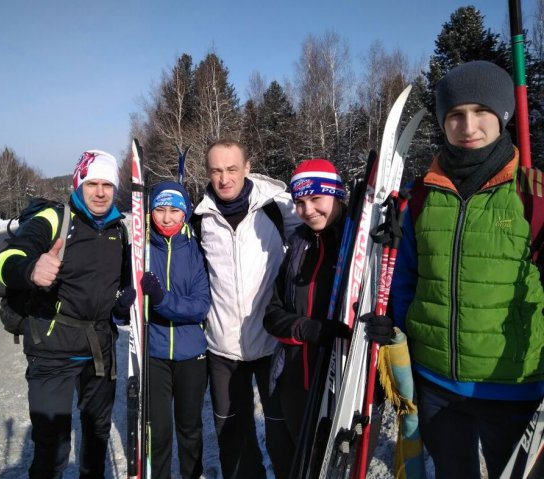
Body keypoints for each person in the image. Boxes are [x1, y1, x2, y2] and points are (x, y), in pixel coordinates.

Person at [364, 61, 544, 479]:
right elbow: (406, 278)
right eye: (455, 115)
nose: (468, 125)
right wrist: (390, 323)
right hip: (435, 381)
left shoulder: (531, 195)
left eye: (480, 112)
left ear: (501, 117)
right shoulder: (423, 197)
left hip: (514, 384)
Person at [0, 150, 133, 478]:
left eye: (108, 185)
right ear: (79, 183)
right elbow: (4, 261)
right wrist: (29, 268)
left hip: (99, 348)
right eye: (92, 183)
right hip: (51, 348)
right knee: (53, 446)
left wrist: (122, 304)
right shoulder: (55, 220)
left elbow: (118, 288)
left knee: (97, 437)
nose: (100, 192)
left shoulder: (119, 229)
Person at [192, 139, 301, 479]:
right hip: (223, 350)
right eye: (216, 171)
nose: (224, 178)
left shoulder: (277, 208)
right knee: (234, 438)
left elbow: (316, 237)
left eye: (231, 169)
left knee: (281, 431)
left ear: (247, 168)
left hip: (272, 344)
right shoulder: (200, 219)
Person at [263, 159, 352, 458]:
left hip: (339, 381)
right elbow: (272, 315)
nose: (308, 210)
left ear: (336, 194)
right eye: (299, 202)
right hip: (295, 382)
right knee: (301, 461)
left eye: (316, 199)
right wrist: (306, 328)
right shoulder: (298, 245)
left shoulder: (354, 243)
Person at [141, 181, 211, 479]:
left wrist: (161, 300)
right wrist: (123, 306)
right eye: (159, 210)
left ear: (185, 213)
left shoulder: (197, 250)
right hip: (153, 355)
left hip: (191, 355)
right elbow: (126, 307)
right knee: (157, 433)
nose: (167, 218)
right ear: (149, 212)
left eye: (174, 211)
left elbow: (200, 305)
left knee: (190, 429)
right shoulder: (140, 250)